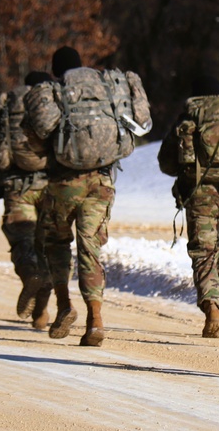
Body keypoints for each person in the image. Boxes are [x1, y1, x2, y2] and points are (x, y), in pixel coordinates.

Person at [22, 46, 152, 346]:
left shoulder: (54, 90)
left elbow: (36, 137)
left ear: (57, 70)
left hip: (64, 183)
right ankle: (96, 320)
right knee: (90, 248)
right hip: (102, 181)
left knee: (56, 243)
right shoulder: (107, 86)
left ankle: (65, 304)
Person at [158, 75, 219, 338]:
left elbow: (167, 163)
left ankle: (211, 308)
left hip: (201, 192)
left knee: (204, 252)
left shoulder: (189, 117)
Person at [0, 71, 54, 329]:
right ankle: (41, 310)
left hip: (17, 186)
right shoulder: (54, 101)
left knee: (23, 241)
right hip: (52, 186)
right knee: (50, 246)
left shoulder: (7, 103)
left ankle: (30, 275)